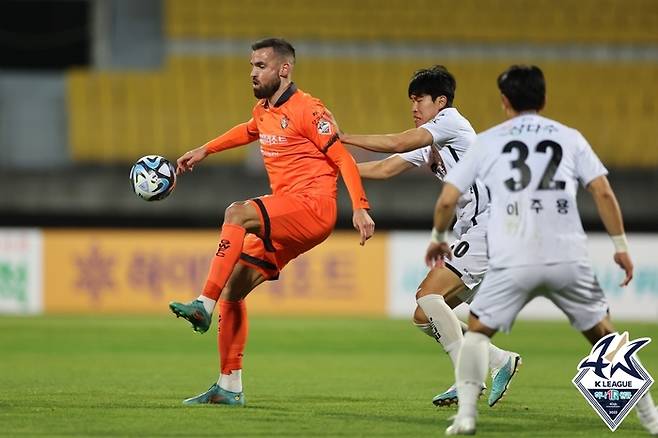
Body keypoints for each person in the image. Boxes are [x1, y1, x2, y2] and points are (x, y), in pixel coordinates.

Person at [426, 65, 658, 435]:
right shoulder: (570, 137)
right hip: (565, 253)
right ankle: (650, 415)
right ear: (544, 99)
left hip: (514, 254)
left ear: (504, 101)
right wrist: (620, 247)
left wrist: (439, 235)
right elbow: (602, 192)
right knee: (604, 335)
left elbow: (447, 198)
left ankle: (467, 415)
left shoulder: (488, 141)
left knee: (477, 333)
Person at [168, 38, 375, 406]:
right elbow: (249, 129)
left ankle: (202, 303)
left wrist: (360, 206)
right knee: (233, 289)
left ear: (284, 69)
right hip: (288, 213)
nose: (252, 72)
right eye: (251, 65)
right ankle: (229, 386)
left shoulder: (309, 110)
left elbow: (343, 159)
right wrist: (206, 149)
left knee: (237, 212)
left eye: (260, 65)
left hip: (313, 207)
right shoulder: (264, 109)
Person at [340, 65, 520, 407]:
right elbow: (385, 167)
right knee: (427, 316)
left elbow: (396, 141)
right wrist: (332, 169)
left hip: (491, 224)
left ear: (440, 101)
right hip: (478, 229)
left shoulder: (451, 122)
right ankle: (499, 361)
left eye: (419, 99)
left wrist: (342, 137)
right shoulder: (431, 140)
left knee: (428, 296)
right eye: (411, 100)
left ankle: (467, 379)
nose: (414, 107)